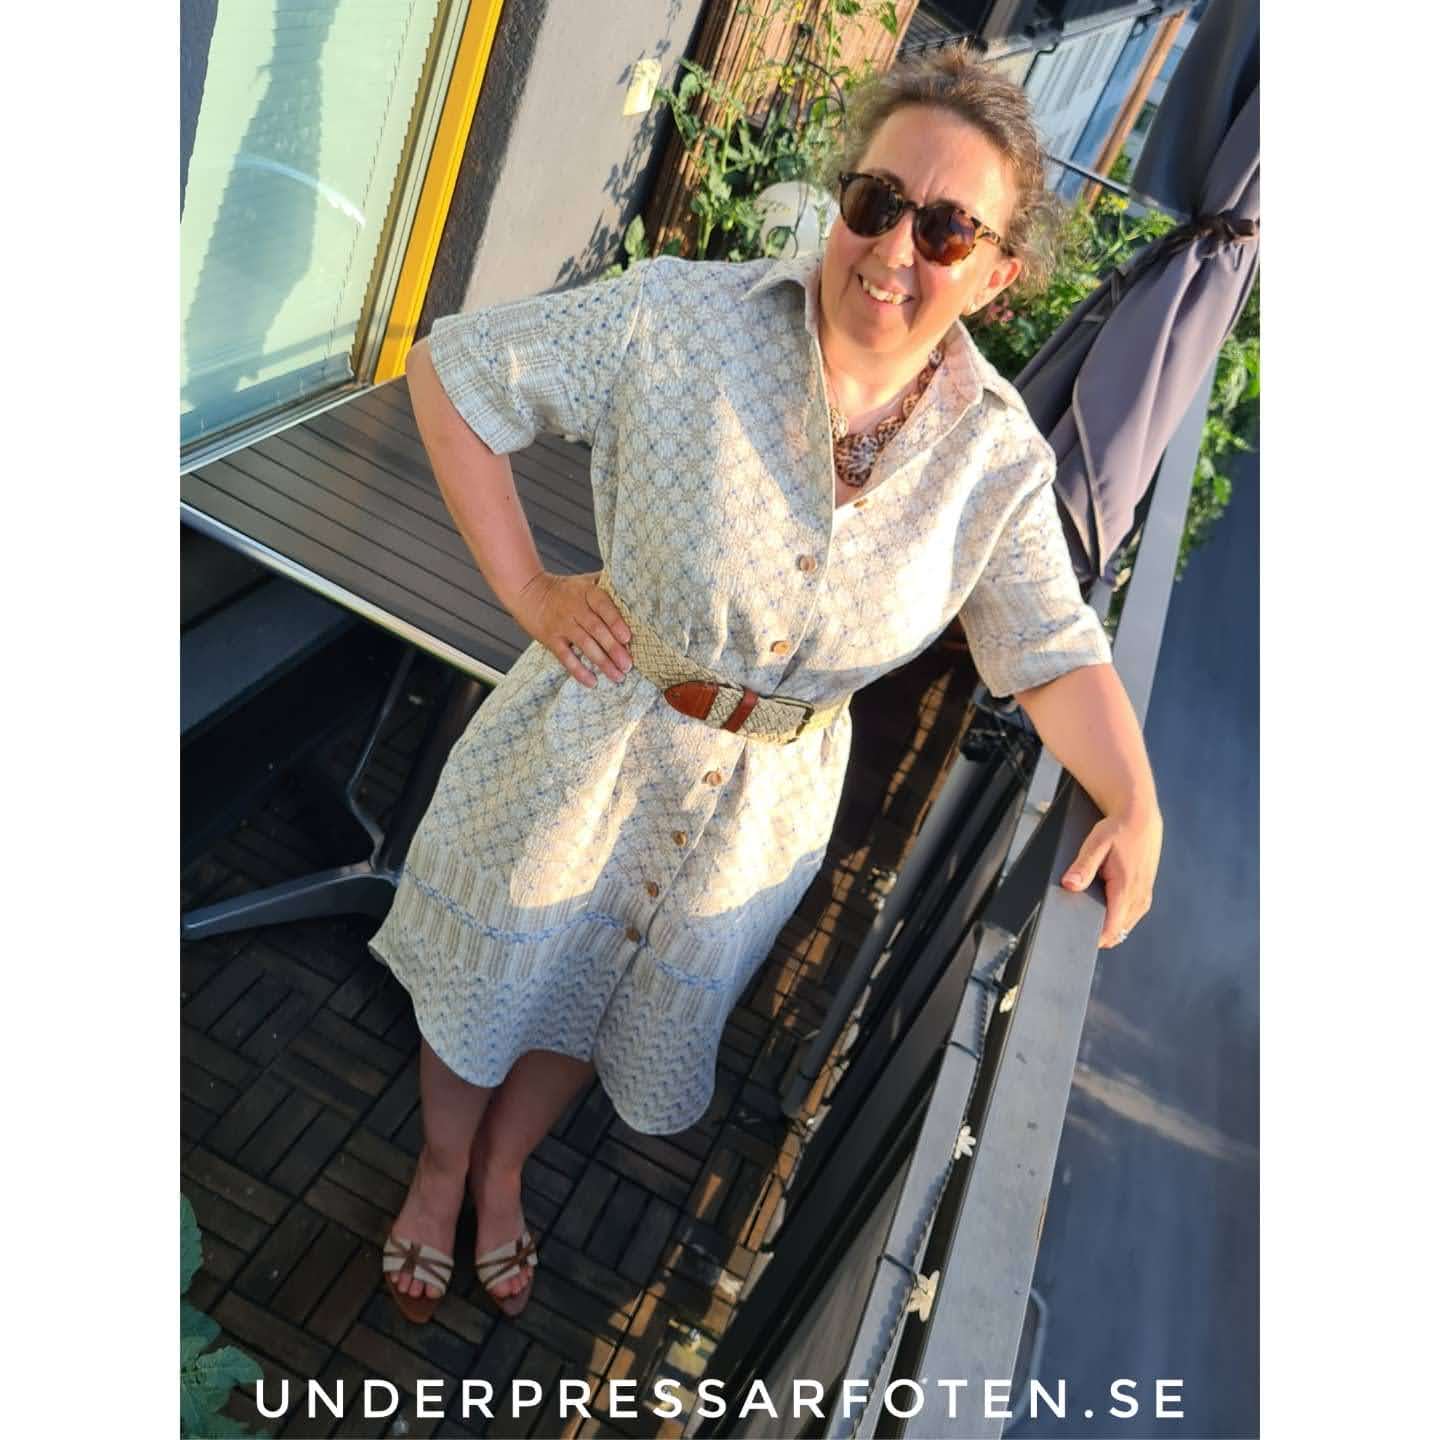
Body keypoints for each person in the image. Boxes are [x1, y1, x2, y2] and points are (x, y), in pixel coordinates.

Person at [370, 47, 1164, 1324]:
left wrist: (1133, 798)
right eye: (876, 201)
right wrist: (529, 590)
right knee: (493, 980)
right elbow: (456, 373)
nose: (894, 248)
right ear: (844, 201)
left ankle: (505, 1171)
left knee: (600, 994)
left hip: (757, 815)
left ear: (998, 273)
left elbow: (1052, 645)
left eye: (947, 228)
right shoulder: (679, 315)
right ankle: (441, 1167)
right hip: (589, 738)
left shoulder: (998, 463)